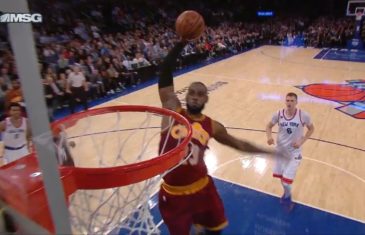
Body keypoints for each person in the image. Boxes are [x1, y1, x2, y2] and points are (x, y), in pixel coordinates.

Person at [157, 40, 276, 235]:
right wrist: (181, 43)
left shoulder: (212, 125)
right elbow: (164, 78)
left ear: (206, 99)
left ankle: (201, 226)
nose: (195, 96)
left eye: (200, 94)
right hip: (173, 193)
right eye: (192, 93)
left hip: (202, 189)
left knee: (215, 232)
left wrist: (267, 151)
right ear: (186, 97)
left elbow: (239, 144)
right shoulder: (173, 112)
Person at [266, 92, 314, 209]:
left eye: (292, 101)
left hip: (294, 153)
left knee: (287, 181)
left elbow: (311, 129)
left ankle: (288, 197)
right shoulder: (278, 114)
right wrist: (269, 137)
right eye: (287, 100)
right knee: (282, 179)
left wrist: (301, 141)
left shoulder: (303, 115)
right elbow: (268, 126)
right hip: (280, 151)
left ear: (296, 102)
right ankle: (286, 194)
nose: (289, 103)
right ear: (285, 102)